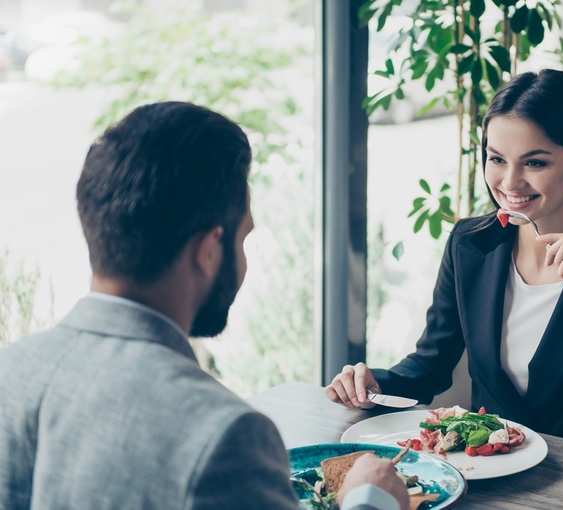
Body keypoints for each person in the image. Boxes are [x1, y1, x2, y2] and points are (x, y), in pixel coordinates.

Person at [0, 102, 408, 510]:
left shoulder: (9, 375)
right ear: (209, 251)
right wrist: (370, 500)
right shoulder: (224, 436)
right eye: (243, 238)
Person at [326, 69, 563, 463]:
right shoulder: (470, 245)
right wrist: (372, 384)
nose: (510, 183)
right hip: (484, 476)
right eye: (496, 159)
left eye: (535, 163)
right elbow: (430, 366)